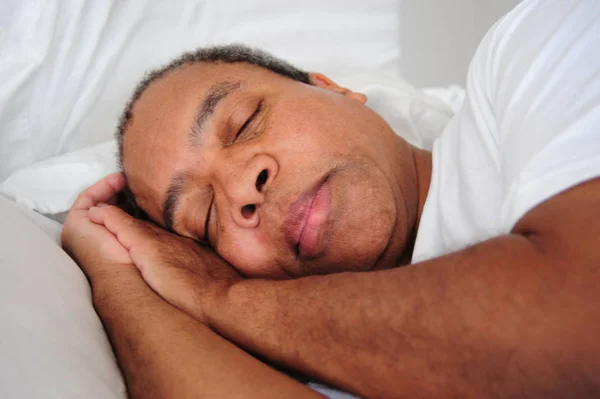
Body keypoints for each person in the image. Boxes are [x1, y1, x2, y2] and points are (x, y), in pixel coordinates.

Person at [62, 0, 600, 397]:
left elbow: (580, 319)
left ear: (333, 88)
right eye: (205, 218)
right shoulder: (290, 350)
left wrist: (221, 297)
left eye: (245, 122)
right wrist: (119, 285)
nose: (242, 190)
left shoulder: (537, 47)